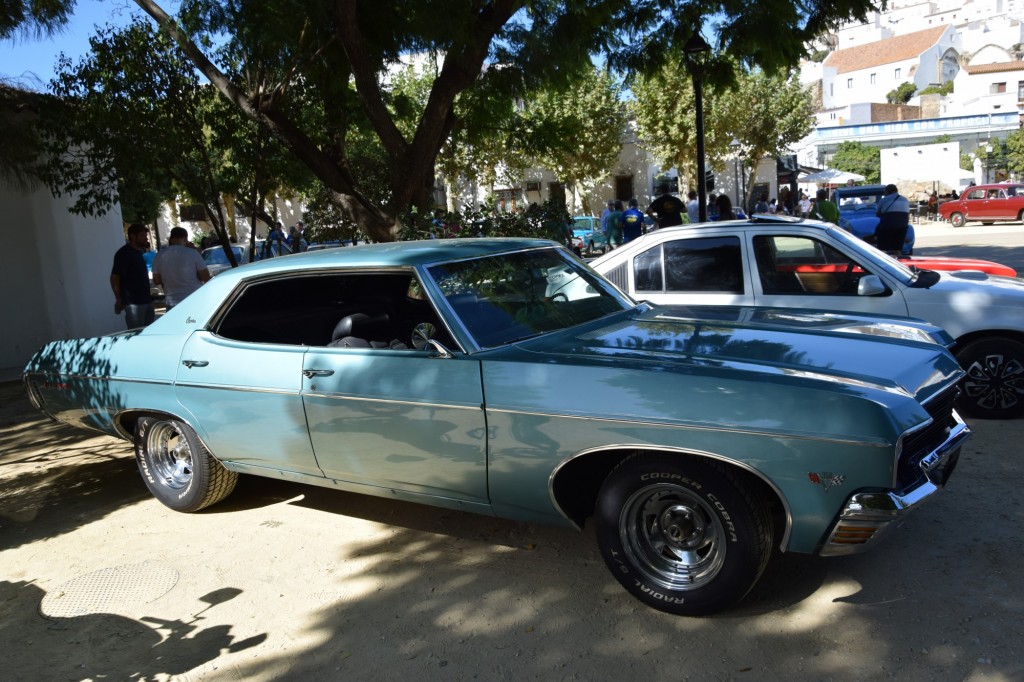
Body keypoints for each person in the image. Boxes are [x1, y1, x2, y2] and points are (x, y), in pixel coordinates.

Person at [152, 227, 211, 309]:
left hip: (171, 301)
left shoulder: (159, 256)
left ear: (171, 239)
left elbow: (156, 280)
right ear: (185, 238)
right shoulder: (193, 253)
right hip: (194, 298)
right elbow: (206, 277)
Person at [110, 224, 155, 328]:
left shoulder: (140, 252)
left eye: (146, 235)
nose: (146, 238)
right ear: (133, 236)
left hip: (147, 299)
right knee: (137, 335)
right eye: (143, 235)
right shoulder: (124, 254)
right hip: (133, 303)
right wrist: (119, 298)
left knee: (150, 333)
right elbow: (114, 277)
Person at [874, 184, 910, 254]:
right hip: (902, 226)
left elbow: (878, 214)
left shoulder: (883, 200)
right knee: (897, 248)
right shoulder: (905, 200)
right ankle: (897, 256)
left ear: (887, 192)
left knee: (882, 246)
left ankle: (882, 254)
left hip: (887, 226)